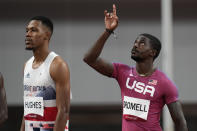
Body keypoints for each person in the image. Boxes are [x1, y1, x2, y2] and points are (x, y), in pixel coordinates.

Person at [83, 4, 188, 131]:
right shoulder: (122, 72)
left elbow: (180, 122)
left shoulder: (164, 82)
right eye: (135, 42)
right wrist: (108, 31)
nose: (136, 46)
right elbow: (89, 59)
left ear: (153, 52)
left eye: (142, 43)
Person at [20, 16, 70, 131]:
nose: (28, 34)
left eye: (33, 30)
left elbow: (64, 111)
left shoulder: (57, 65)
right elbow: (28, 108)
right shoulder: (26, 65)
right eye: (27, 30)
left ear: (46, 35)